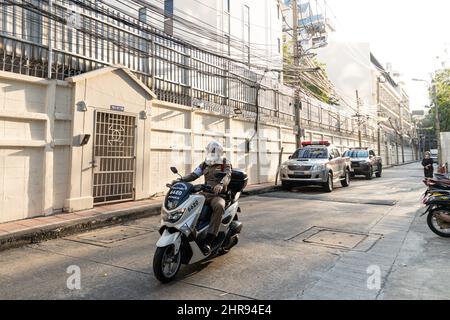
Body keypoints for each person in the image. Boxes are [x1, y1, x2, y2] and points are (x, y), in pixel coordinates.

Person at [176, 140, 232, 255]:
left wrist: (221, 184)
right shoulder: (205, 163)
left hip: (218, 195)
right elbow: (194, 175)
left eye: (212, 150)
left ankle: (209, 240)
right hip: (205, 193)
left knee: (219, 206)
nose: (210, 152)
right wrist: (181, 180)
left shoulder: (225, 163)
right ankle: (189, 230)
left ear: (218, 151)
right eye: (209, 150)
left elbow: (227, 176)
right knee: (189, 203)